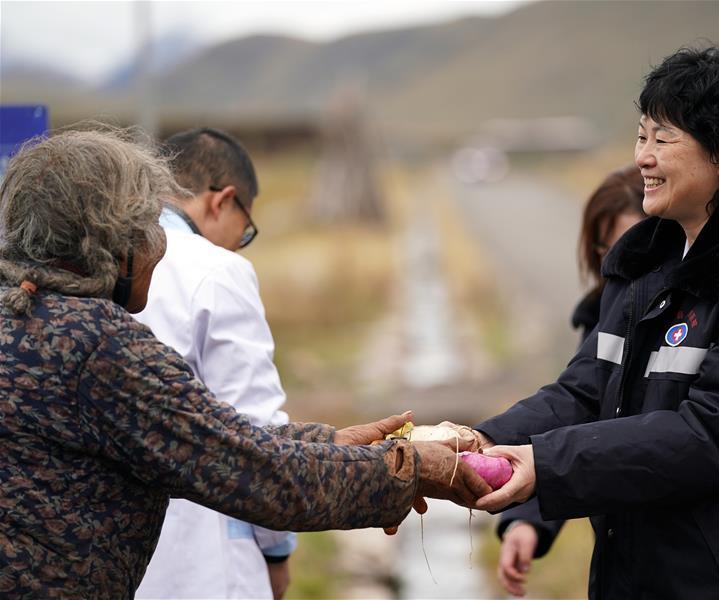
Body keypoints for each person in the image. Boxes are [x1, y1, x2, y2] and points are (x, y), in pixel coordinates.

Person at [0, 128, 492, 597]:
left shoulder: (25, 316)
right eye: (147, 224)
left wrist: (331, 442)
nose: (161, 243)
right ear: (108, 239)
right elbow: (259, 475)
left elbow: (216, 436)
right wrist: (408, 471)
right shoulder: (100, 347)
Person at [466, 44, 719, 598]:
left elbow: (713, 436)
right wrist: (479, 437)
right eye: (640, 136)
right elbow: (587, 390)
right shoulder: (649, 262)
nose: (642, 159)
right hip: (655, 569)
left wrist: (548, 465)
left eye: (663, 139)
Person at [133, 128, 293, 599]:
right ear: (222, 201)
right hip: (205, 560)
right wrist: (277, 549)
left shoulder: (102, 257)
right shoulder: (217, 271)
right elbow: (258, 436)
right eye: (246, 232)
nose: (239, 245)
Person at [495, 165, 645, 596]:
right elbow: (577, 420)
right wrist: (526, 521)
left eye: (636, 245)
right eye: (605, 248)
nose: (617, 262)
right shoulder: (601, 320)